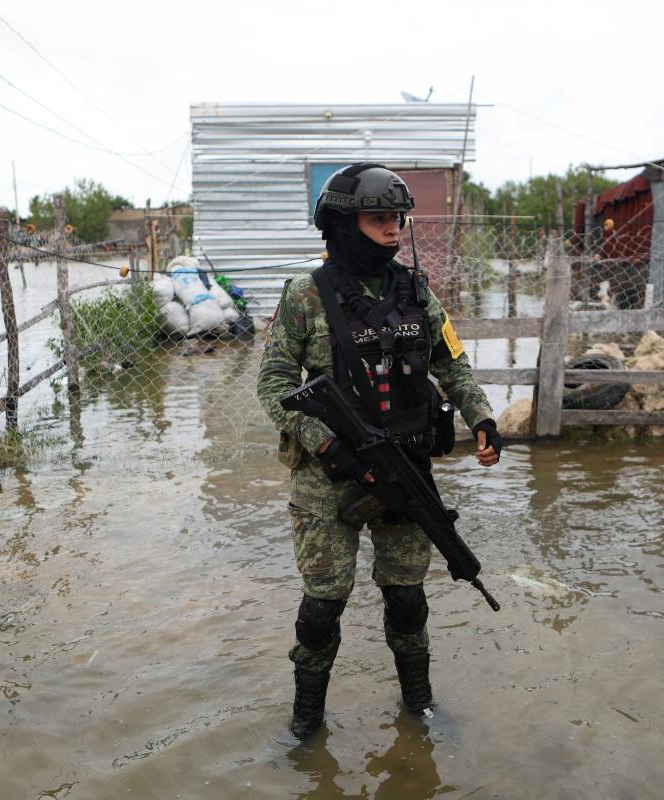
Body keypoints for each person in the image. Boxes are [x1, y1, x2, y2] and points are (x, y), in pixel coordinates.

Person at [256, 163, 503, 739]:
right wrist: (324, 442)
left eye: (397, 219)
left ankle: (418, 709)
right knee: (322, 610)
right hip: (329, 475)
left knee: (408, 599)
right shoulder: (305, 296)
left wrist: (482, 417)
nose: (393, 230)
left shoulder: (418, 292)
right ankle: (305, 725)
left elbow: (452, 364)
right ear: (342, 225)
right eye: (378, 219)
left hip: (406, 468)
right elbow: (272, 384)